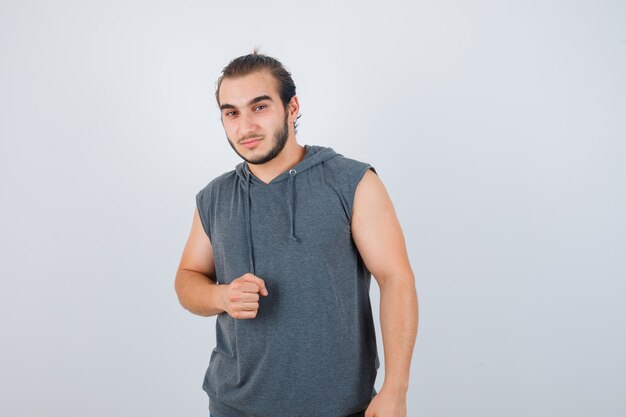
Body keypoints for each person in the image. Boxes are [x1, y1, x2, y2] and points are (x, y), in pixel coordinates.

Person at [175, 50, 418, 417]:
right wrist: (221, 296)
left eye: (259, 107)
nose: (245, 127)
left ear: (292, 107)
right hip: (233, 405)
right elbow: (187, 278)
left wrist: (395, 389)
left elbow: (396, 279)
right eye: (232, 113)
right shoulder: (214, 197)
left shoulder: (351, 182)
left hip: (340, 407)